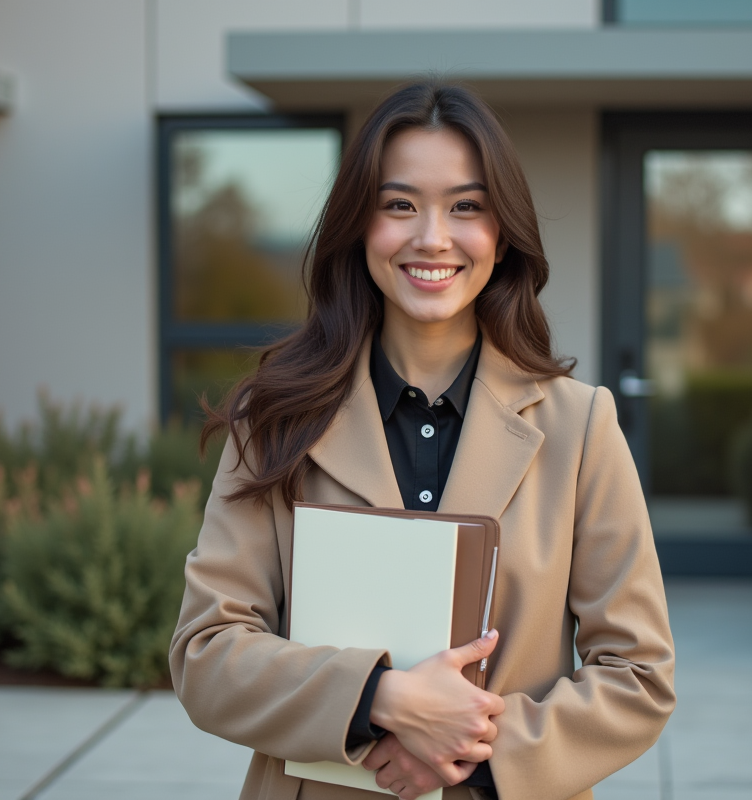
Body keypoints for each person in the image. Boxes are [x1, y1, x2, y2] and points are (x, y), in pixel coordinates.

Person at [170, 82, 675, 800]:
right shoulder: (274, 417)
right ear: (359, 226)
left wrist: (472, 753)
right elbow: (206, 655)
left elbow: (639, 678)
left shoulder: (580, 428)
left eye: (465, 207)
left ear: (501, 237)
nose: (431, 237)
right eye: (399, 204)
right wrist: (379, 698)